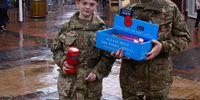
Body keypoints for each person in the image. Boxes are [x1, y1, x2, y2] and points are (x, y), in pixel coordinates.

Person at [111, 0, 191, 99]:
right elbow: (119, 37)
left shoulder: (169, 8)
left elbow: (184, 38)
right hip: (130, 78)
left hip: (157, 78)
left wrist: (163, 46)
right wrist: (119, 51)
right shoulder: (127, 8)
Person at [51, 0, 115, 99]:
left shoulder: (101, 30)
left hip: (90, 87)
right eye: (84, 3)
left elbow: (108, 57)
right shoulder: (67, 27)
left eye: (91, 4)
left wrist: (96, 72)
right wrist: (63, 63)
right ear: (78, 3)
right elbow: (56, 49)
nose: (87, 7)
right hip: (69, 86)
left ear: (96, 5)